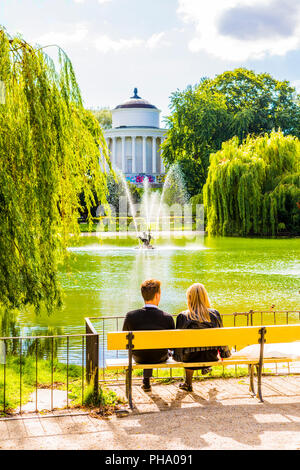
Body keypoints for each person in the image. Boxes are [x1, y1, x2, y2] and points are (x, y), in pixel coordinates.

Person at [174, 283, 231, 392]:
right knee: (201, 349)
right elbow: (222, 336)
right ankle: (205, 367)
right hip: (211, 356)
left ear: (189, 298)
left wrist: (177, 357)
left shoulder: (183, 316)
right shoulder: (215, 314)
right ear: (205, 296)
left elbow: (179, 342)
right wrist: (225, 353)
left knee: (189, 351)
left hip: (190, 358)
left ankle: (188, 383)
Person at [122, 279, 175, 392]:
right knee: (155, 348)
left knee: (146, 347)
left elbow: (123, 339)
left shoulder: (130, 316)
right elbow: (173, 344)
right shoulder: (167, 317)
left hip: (138, 357)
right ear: (157, 295)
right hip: (160, 356)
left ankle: (146, 382)